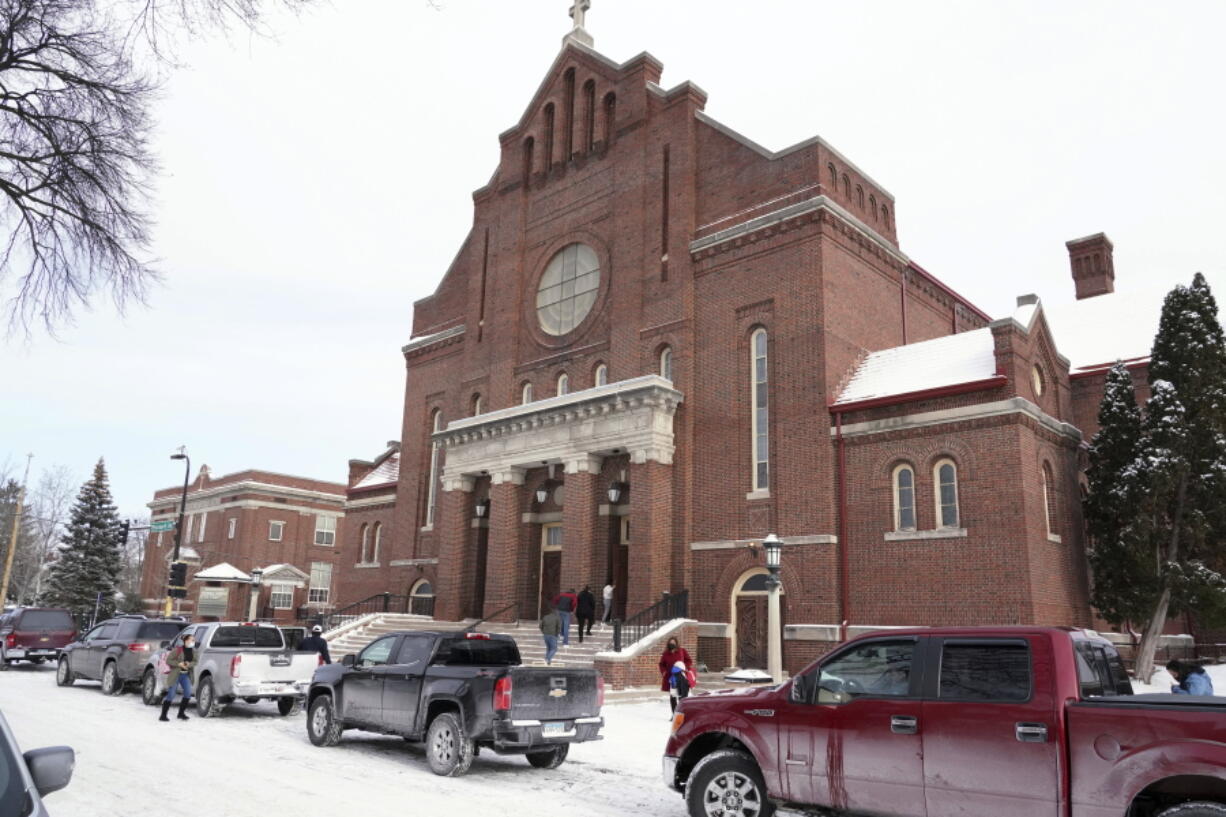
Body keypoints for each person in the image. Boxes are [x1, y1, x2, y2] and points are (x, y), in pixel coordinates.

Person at [160, 632, 197, 722]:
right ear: (186, 641)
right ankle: (163, 715)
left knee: (188, 693)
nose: (193, 642)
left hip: (185, 675)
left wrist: (189, 664)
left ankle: (181, 713)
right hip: (175, 674)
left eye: (194, 640)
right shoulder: (178, 650)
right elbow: (168, 660)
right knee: (171, 694)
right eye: (191, 640)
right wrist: (178, 664)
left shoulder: (193, 651)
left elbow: (195, 661)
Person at [659, 637, 693, 713]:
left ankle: (681, 713)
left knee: (682, 695)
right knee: (673, 696)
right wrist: (664, 671)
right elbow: (661, 664)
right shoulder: (665, 654)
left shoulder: (682, 651)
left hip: (681, 676)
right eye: (670, 643)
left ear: (676, 643)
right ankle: (674, 714)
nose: (672, 644)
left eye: (673, 642)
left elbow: (689, 661)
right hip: (671, 677)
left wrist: (684, 667)